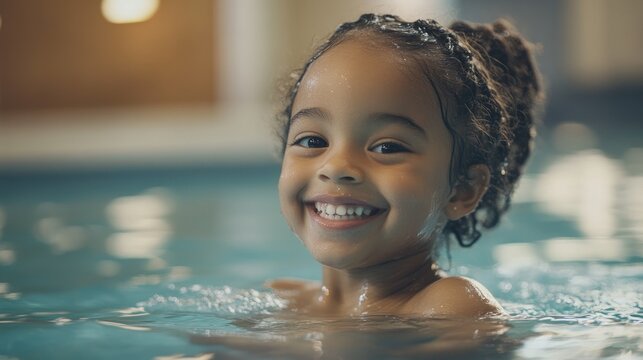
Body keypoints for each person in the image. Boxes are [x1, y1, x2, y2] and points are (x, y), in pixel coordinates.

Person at [269, 13, 543, 318]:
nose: (336, 167)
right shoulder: (284, 302)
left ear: (462, 190)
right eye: (312, 141)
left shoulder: (450, 309)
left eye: (387, 147)